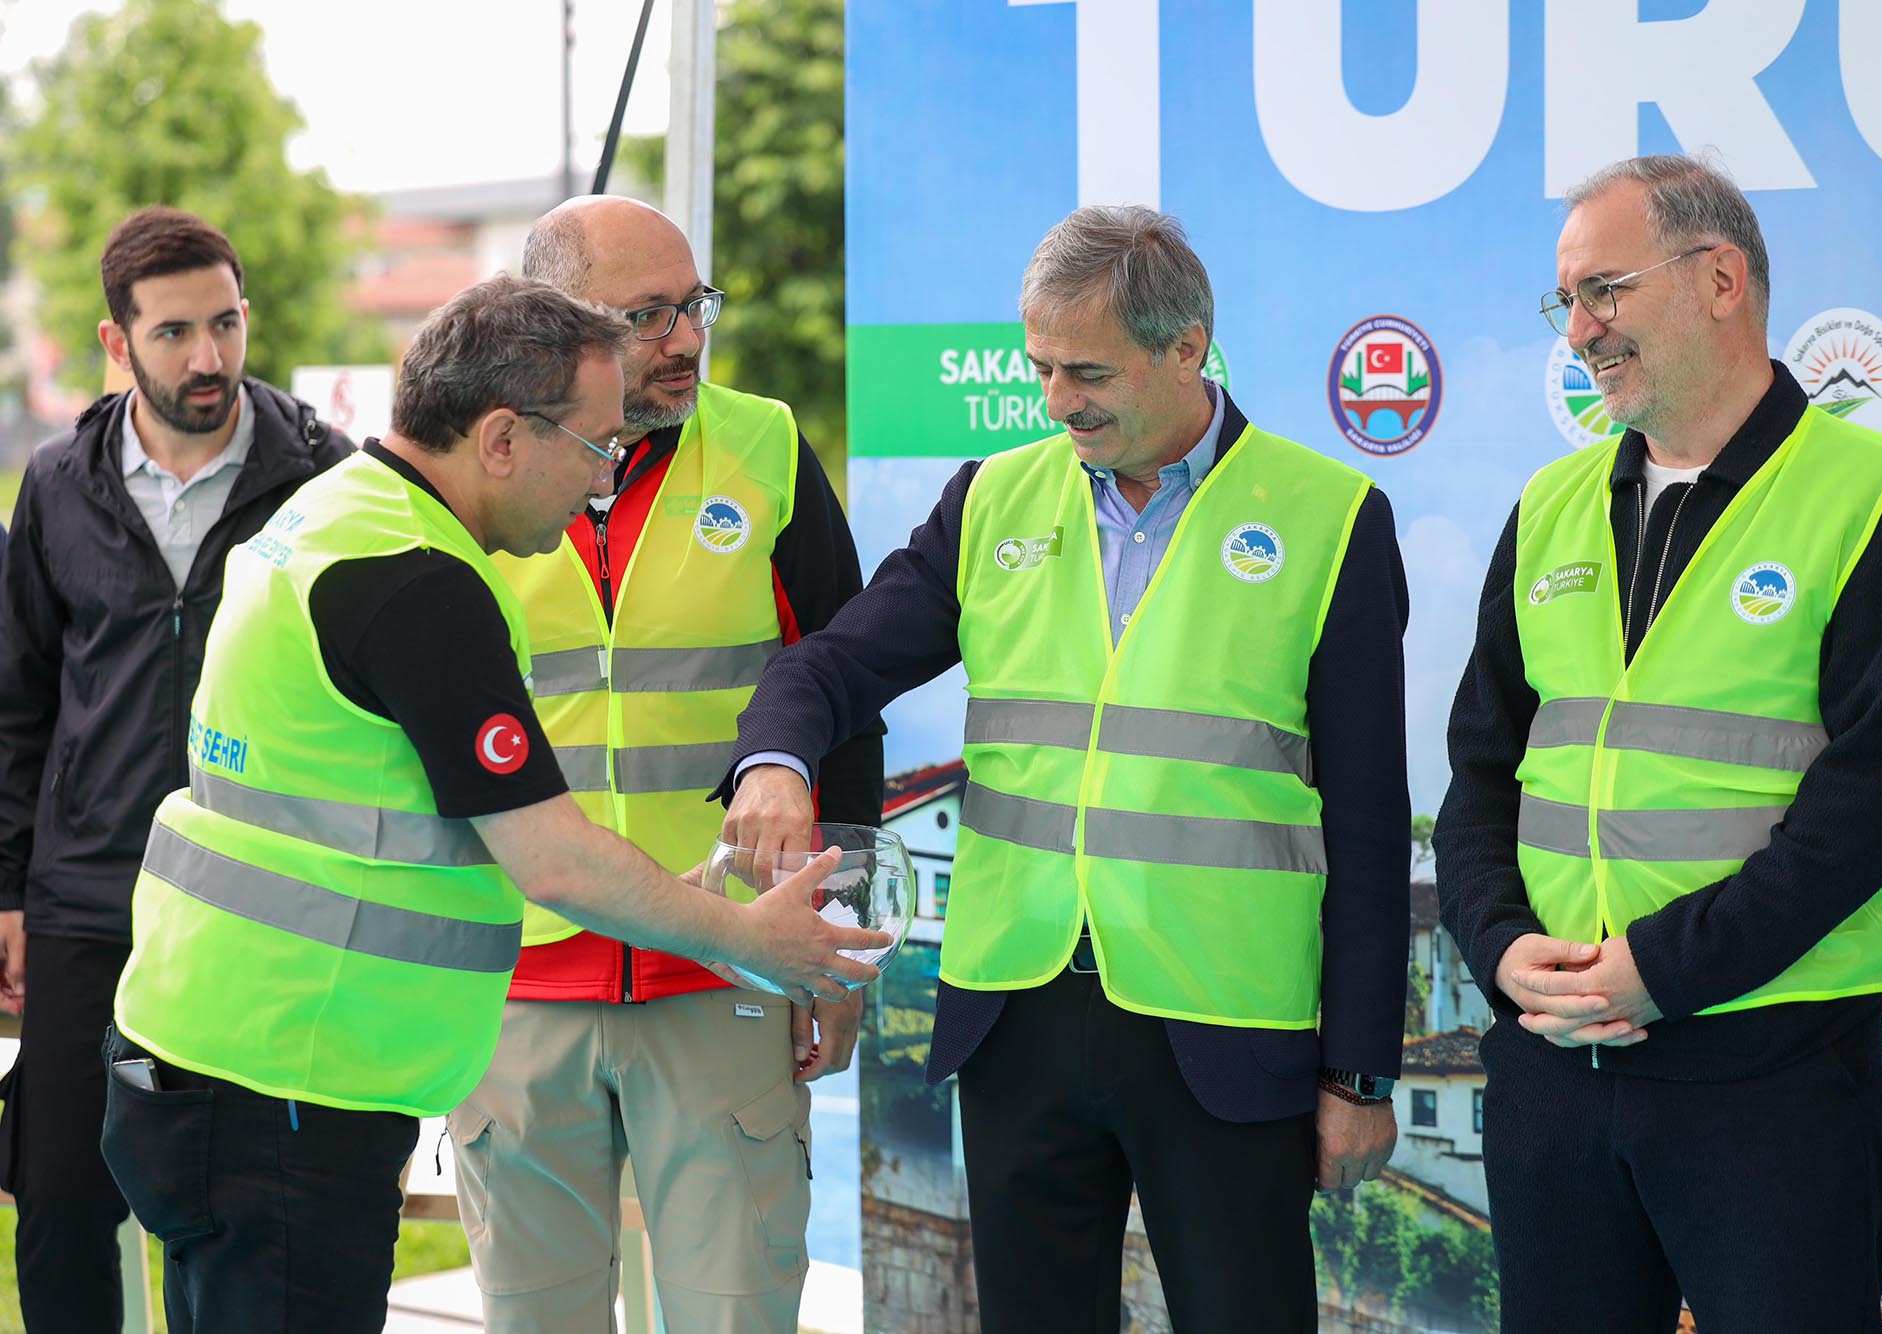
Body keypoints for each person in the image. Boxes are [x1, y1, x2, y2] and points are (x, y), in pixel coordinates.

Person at [98, 273, 890, 1334]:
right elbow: (551, 860)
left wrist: (690, 893)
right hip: (290, 1076)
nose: (604, 479)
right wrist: (750, 936)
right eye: (598, 445)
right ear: (506, 437)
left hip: (220, 1048)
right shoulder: (418, 580)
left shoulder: (337, 514)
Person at [720, 205, 1411, 1332]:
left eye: (1085, 370)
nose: (1055, 400)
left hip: (1225, 1028)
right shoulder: (992, 497)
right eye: (1038, 367)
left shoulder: (1329, 516)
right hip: (1018, 1016)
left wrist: (1359, 1074)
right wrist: (774, 757)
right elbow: (835, 661)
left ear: (1186, 348)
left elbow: (1373, 822)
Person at [1435, 155, 1882, 1332]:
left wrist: (1660, 969)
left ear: (1720, 278)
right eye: (1563, 299)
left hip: (1766, 1074)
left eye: (1603, 291)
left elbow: (1874, 799)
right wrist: (1502, 947)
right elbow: (1478, 778)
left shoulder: (1873, 496)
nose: (1577, 329)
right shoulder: (1547, 509)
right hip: (1553, 1065)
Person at [447, 196, 882, 1332]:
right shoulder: (472, 479)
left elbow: (845, 697)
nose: (686, 338)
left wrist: (836, 941)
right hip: (511, 990)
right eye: (647, 315)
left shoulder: (767, 446)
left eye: (694, 305)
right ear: (557, 327)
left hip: (726, 972)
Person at [0, 205, 352, 1333]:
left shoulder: (326, 481)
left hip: (261, 905)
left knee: (242, 1209)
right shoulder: (55, 485)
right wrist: (8, 885)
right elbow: (19, 704)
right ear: (117, 343)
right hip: (87, 900)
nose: (209, 358)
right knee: (55, 1202)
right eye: (173, 333)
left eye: (227, 323)